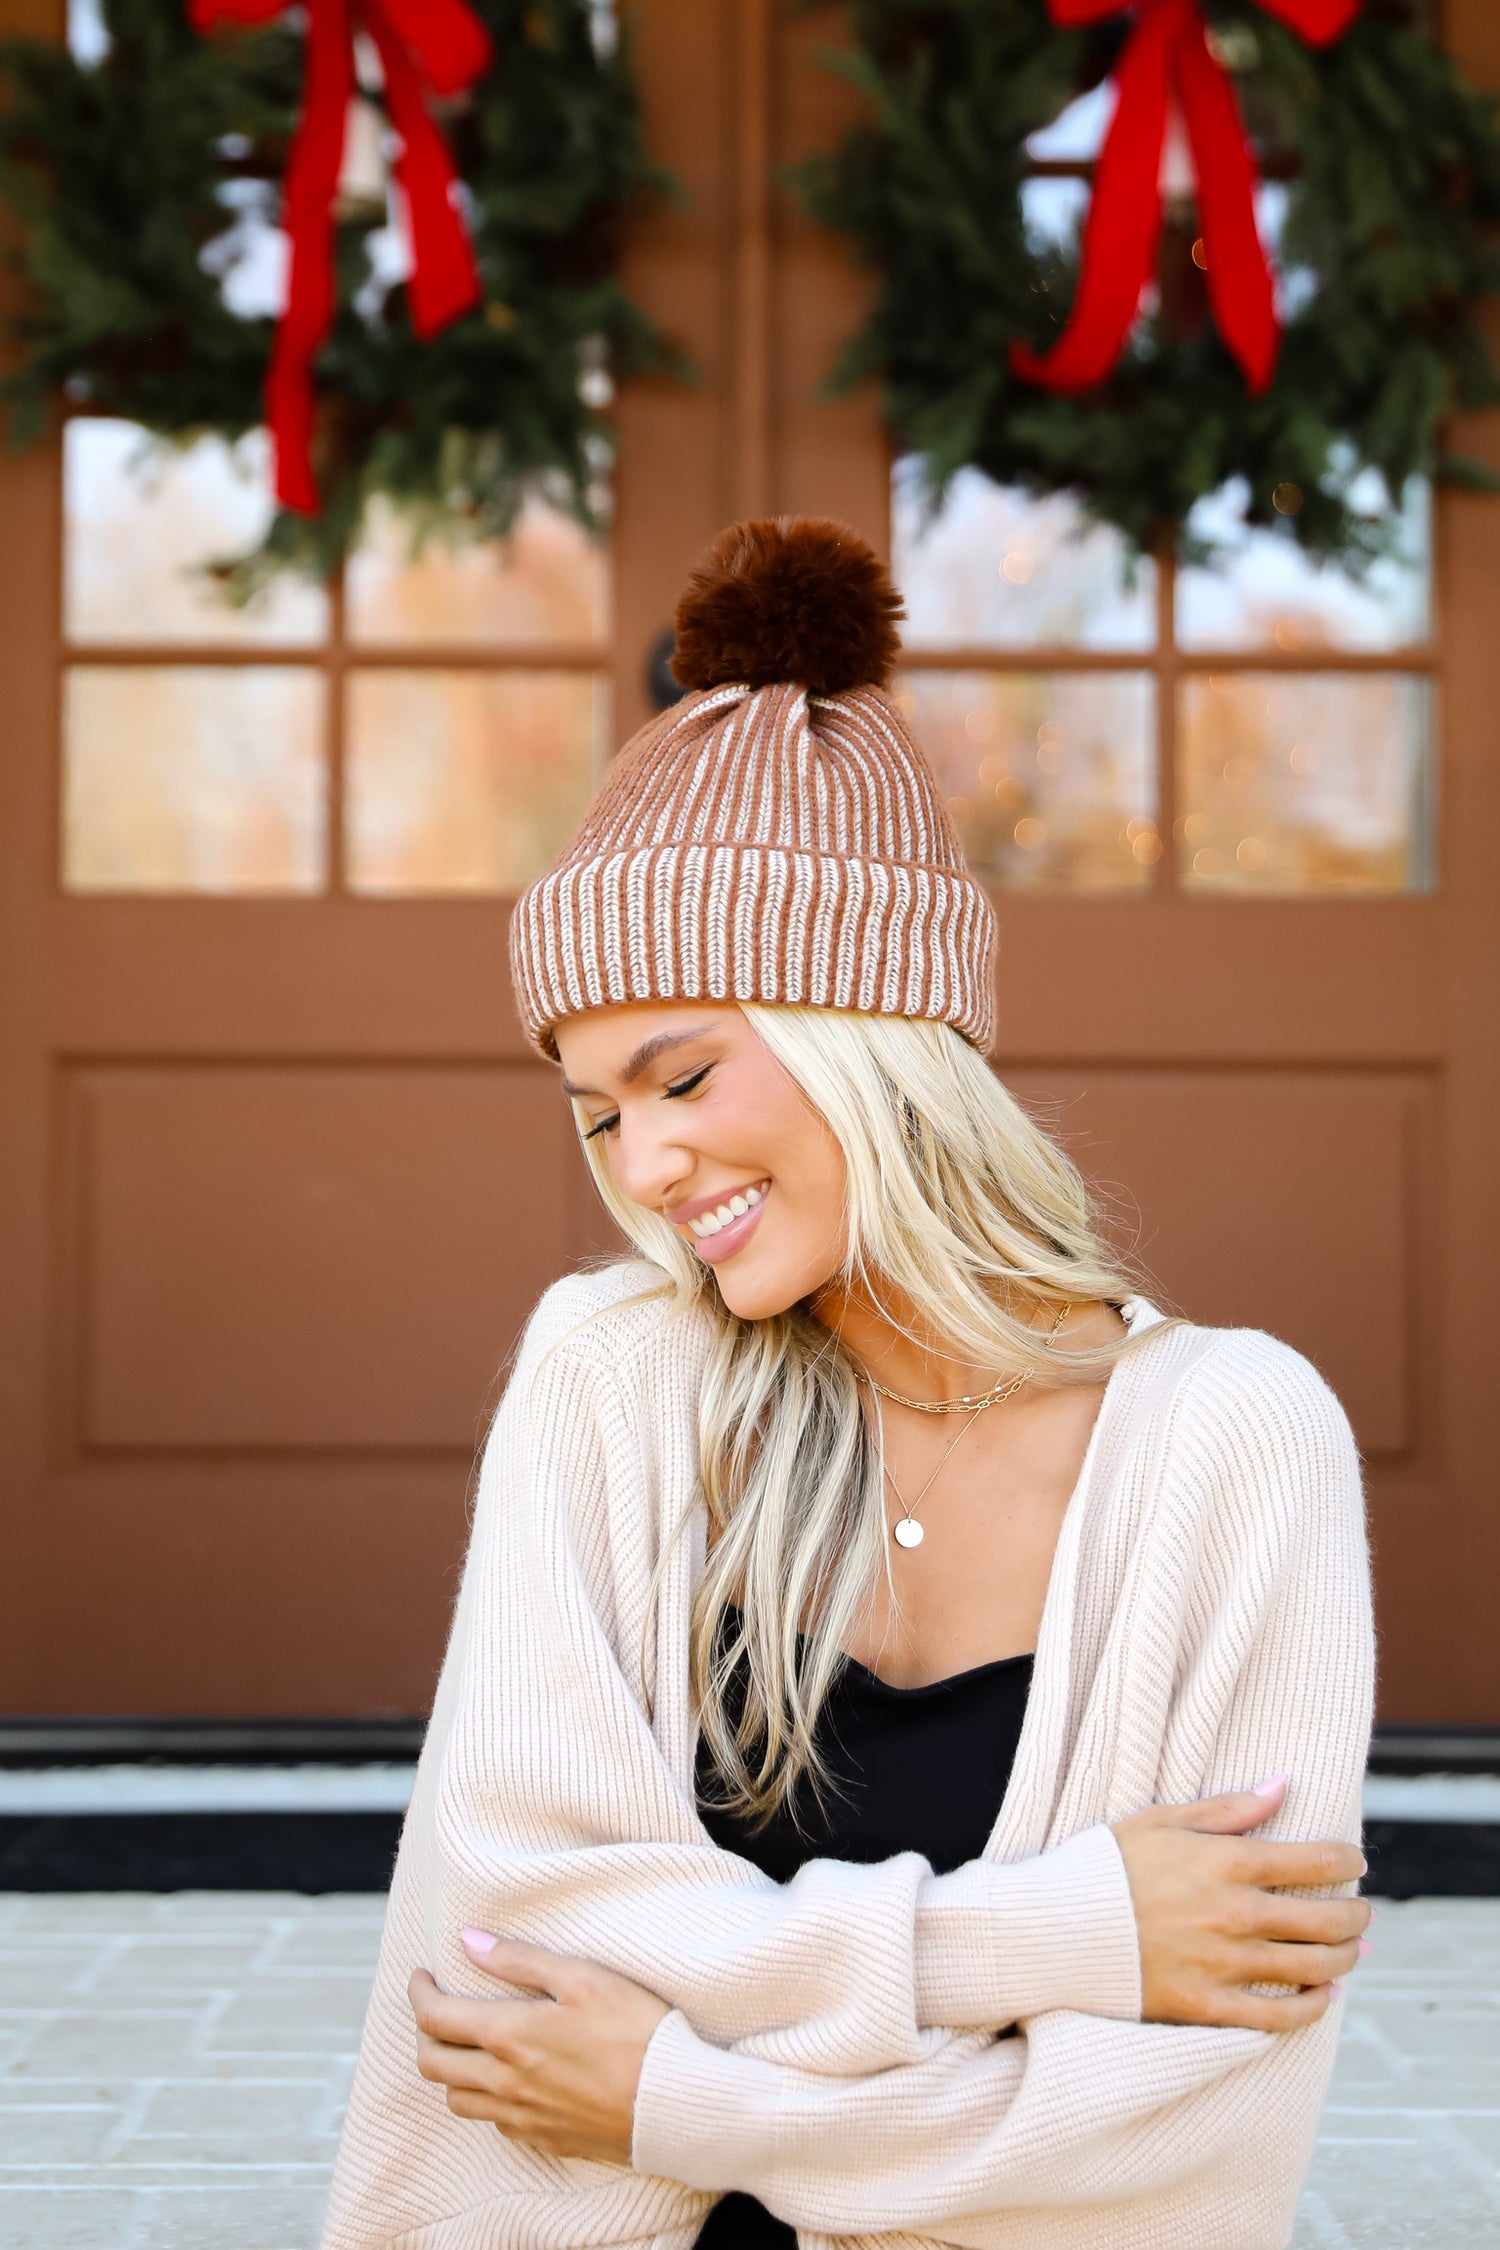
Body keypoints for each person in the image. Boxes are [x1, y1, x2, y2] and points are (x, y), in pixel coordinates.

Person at [321, 517, 1374, 2250]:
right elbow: (523, 1922)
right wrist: (1071, 1932)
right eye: (597, 1111)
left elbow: (1198, 2116)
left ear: (870, 1033)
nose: (645, 1163)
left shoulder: (1243, 1444)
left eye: (681, 1072)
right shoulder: (611, 1381)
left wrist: (676, 2094)